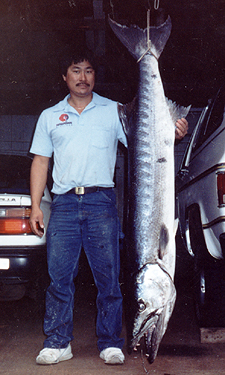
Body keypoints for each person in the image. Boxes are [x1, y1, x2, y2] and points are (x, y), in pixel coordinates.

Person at [29, 48, 188, 366]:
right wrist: (35, 206)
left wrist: (172, 133)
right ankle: (58, 342)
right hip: (62, 204)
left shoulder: (113, 111)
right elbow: (40, 162)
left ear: (94, 76)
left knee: (108, 278)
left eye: (88, 71)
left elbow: (145, 142)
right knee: (59, 278)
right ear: (65, 77)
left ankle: (111, 342)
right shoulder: (50, 116)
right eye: (76, 70)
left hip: (101, 202)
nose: (82, 77)